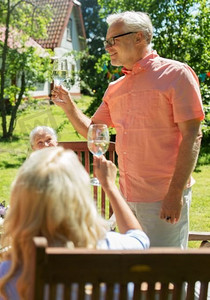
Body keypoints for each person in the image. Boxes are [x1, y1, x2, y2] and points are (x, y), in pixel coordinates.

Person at [52, 11, 204, 248]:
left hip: (163, 197)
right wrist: (69, 107)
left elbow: (193, 136)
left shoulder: (176, 74)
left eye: (113, 40)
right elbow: (93, 131)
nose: (107, 47)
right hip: (126, 198)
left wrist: (175, 194)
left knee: (165, 274)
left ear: (139, 38)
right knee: (133, 268)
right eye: (106, 41)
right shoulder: (115, 88)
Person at [0, 147, 149, 300]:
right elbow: (140, 238)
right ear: (81, 199)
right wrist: (109, 186)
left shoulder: (12, 272)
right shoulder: (113, 248)